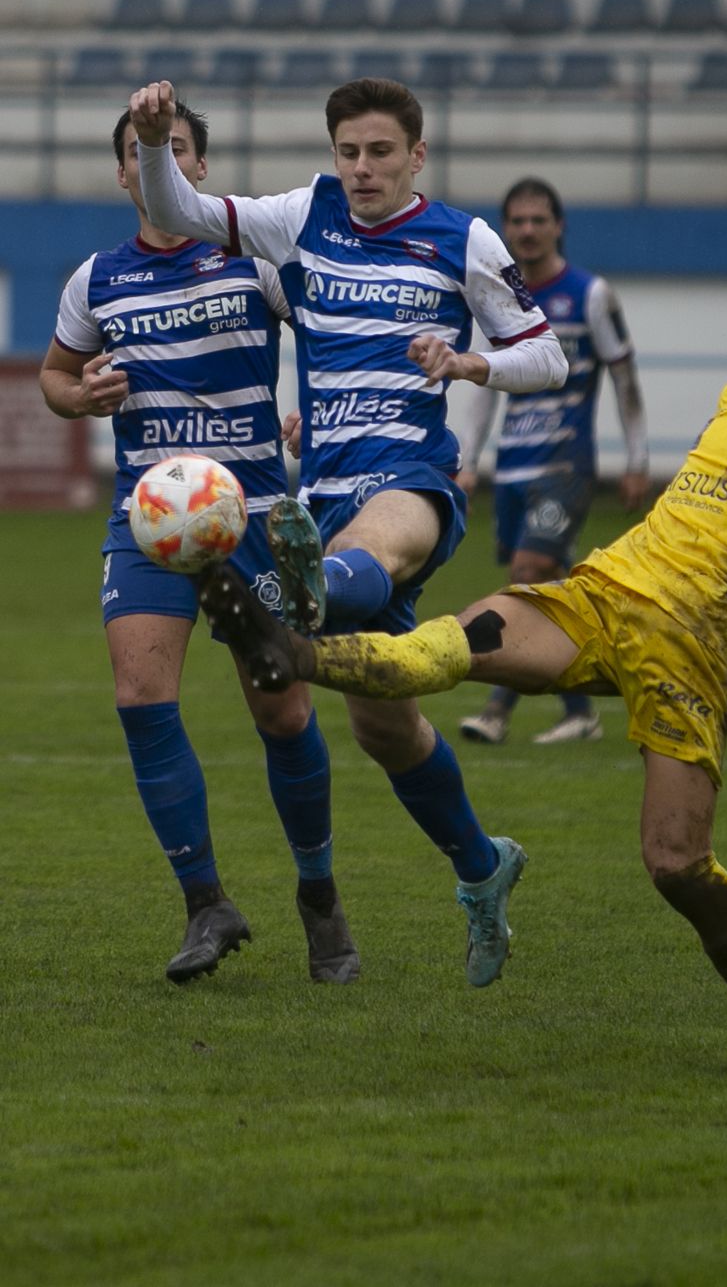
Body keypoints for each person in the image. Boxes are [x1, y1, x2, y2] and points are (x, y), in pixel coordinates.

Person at [197, 253, 727, 1073]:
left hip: (691, 640)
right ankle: (291, 650)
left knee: (675, 865)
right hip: (602, 590)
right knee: (447, 645)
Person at [128, 76, 568, 988]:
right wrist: (157, 138)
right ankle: (483, 869)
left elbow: (548, 353)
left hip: (411, 479)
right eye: (347, 152)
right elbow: (184, 208)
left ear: (417, 154)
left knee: (356, 560)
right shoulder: (301, 217)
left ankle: (300, 589)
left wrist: (468, 361)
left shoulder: (463, 238)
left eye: (378, 152)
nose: (361, 169)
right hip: (321, 491)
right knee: (383, 723)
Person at [39, 100, 359, 987]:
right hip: (149, 522)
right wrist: (80, 396)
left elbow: (329, 341)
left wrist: (316, 418)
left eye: (173, 149)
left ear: (199, 169)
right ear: (122, 174)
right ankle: (205, 902)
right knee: (141, 695)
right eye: (141, 152)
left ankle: (319, 896)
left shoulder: (248, 261)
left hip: (252, 516)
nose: (157, 161)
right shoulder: (94, 280)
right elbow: (56, 377)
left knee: (282, 711)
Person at [456, 176, 649, 747]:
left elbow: (624, 379)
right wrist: (469, 460)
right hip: (514, 468)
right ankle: (582, 710)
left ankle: (496, 712)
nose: (528, 230)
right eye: (517, 221)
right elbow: (488, 380)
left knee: (526, 574)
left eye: (539, 220)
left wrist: (637, 460)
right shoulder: (503, 300)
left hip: (566, 467)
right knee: (550, 589)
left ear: (559, 226)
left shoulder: (590, 294)